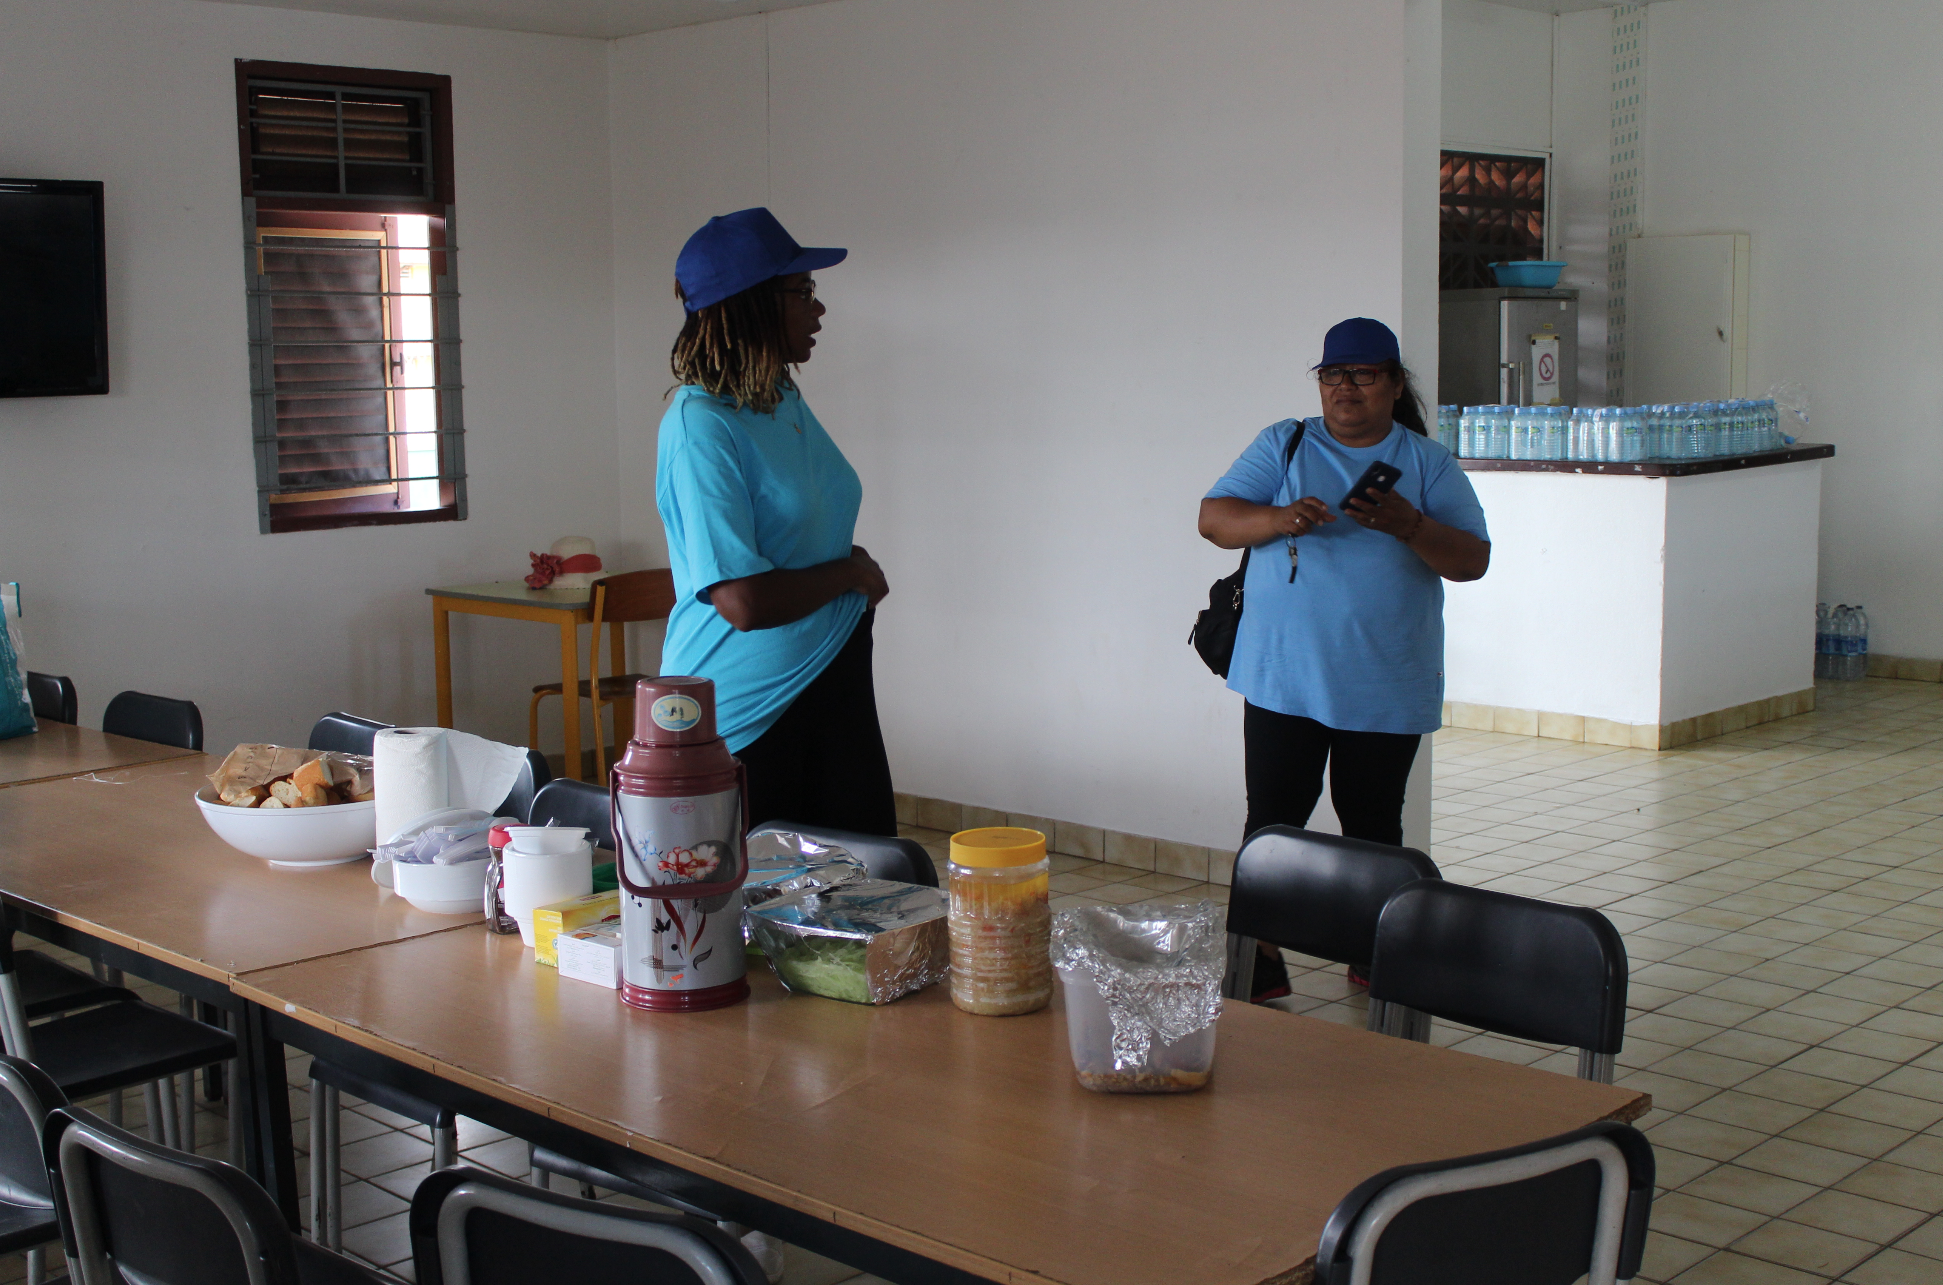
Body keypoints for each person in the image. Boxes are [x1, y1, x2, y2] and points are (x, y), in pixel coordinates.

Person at [1198, 317, 1490, 995]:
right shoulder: (1285, 442)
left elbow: (1471, 560)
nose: (1345, 388)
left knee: (1371, 827)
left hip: (1383, 681)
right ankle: (1259, 960)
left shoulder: (1427, 462)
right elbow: (1214, 519)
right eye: (1332, 374)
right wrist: (1277, 519)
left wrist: (1409, 524)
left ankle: (1373, 952)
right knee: (1271, 825)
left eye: (1362, 374)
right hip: (1282, 677)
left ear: (1394, 385)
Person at [655, 207, 896, 836]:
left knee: (872, 881)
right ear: (752, 304)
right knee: (753, 895)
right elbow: (742, 601)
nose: (819, 310)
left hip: (832, 672)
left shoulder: (779, 396)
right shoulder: (700, 426)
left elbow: (803, 527)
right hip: (747, 710)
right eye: (803, 292)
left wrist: (849, 579)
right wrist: (850, 573)